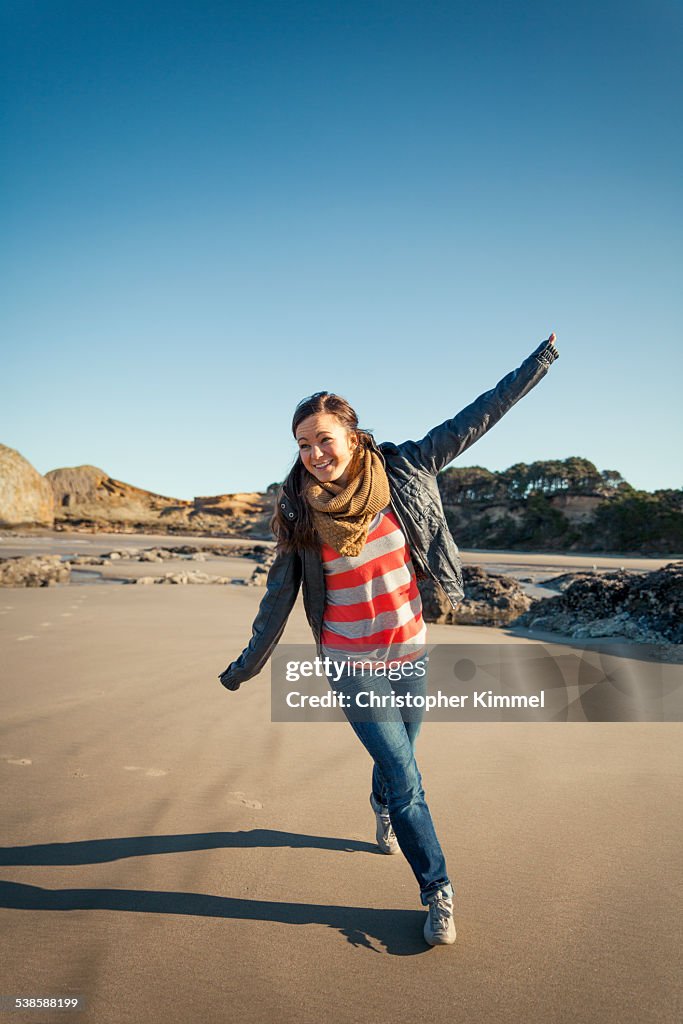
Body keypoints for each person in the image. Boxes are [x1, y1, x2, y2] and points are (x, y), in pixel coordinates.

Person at [218, 332, 559, 946]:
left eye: (324, 439)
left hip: (409, 651)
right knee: (408, 781)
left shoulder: (404, 469)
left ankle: (379, 800)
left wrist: (539, 361)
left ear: (352, 436)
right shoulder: (298, 508)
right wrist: (246, 664)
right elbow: (278, 596)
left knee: (400, 761)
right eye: (303, 444)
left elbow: (478, 416)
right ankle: (439, 891)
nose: (315, 453)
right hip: (350, 661)